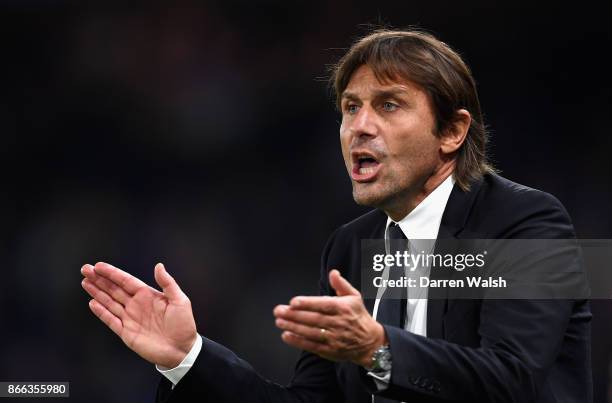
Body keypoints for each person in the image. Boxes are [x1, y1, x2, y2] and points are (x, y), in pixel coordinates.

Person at [80, 29, 592, 402]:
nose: (359, 127)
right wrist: (188, 356)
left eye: (389, 105)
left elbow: (512, 378)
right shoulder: (351, 248)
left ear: (452, 132)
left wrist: (379, 349)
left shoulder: (525, 222)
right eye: (350, 107)